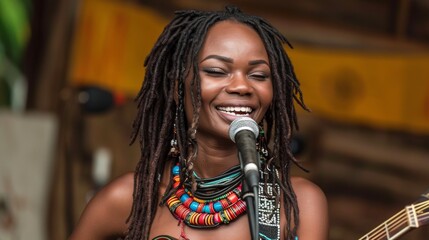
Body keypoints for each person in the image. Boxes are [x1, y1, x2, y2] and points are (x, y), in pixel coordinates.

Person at [69, 6, 328, 240]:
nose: (241, 86)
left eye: (258, 75)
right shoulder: (129, 199)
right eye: (216, 71)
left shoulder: (299, 205)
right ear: (176, 87)